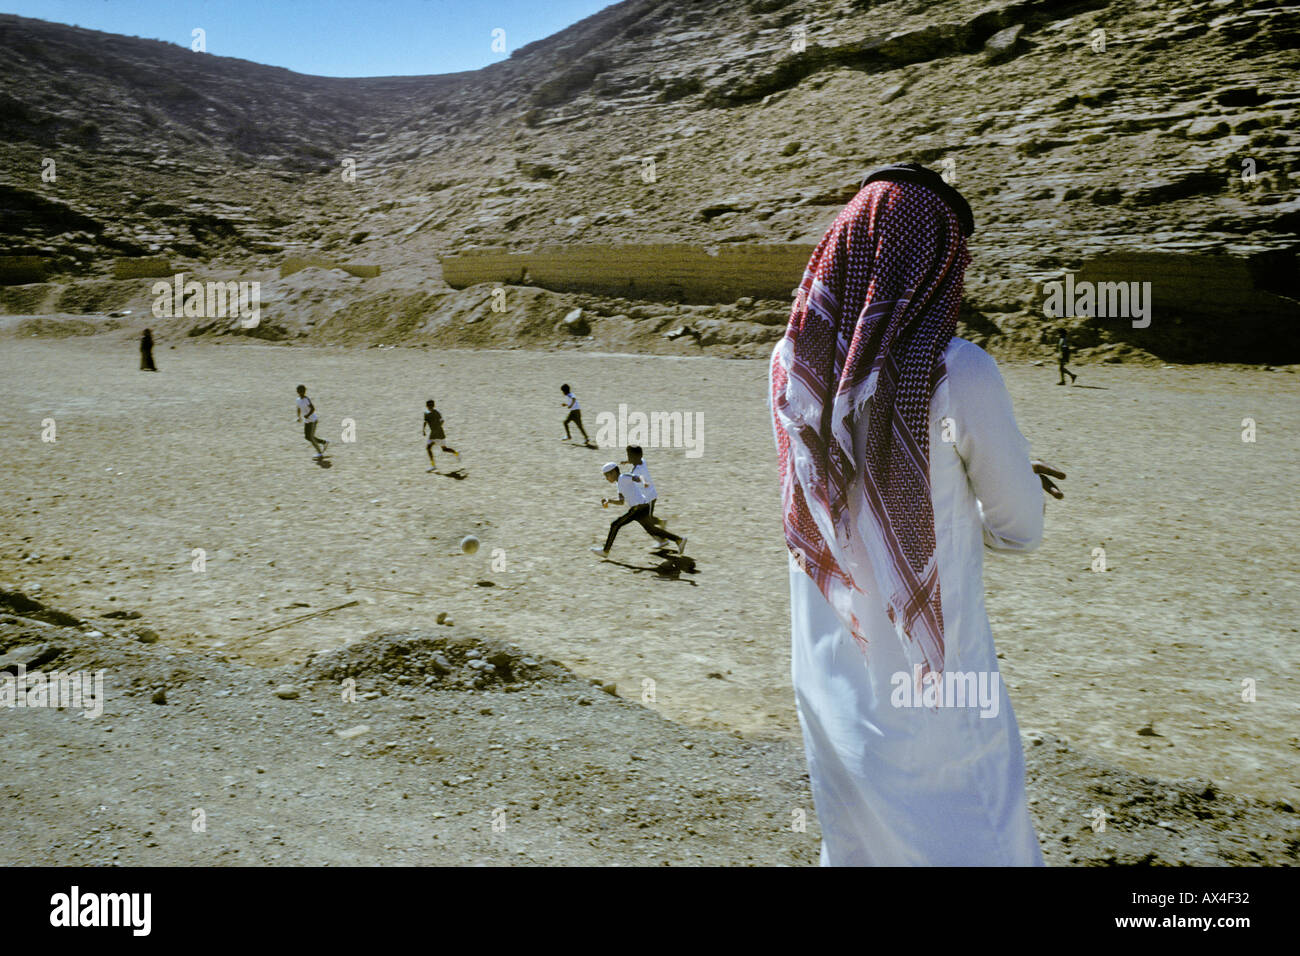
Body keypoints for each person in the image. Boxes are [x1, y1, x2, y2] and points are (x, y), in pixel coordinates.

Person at [770, 162, 1066, 866]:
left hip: (830, 664)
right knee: (971, 834)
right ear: (934, 262)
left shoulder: (789, 361)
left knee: (859, 843)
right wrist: (985, 487)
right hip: (936, 679)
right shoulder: (959, 371)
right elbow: (1019, 528)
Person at [590, 462, 685, 557]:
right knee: (651, 530)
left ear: (614, 472)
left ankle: (605, 551)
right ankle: (679, 540)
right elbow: (621, 501)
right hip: (642, 507)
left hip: (638, 508)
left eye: (607, 475)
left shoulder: (623, 477)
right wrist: (609, 501)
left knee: (615, 524)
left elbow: (638, 477)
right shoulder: (619, 484)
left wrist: (644, 482)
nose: (607, 478)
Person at [423, 399, 459, 472]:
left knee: (440, 449)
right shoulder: (426, 413)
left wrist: (437, 427)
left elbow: (442, 420)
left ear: (433, 405)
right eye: (429, 405)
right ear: (427, 406)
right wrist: (423, 430)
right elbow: (425, 421)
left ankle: (456, 453)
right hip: (434, 433)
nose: (430, 407)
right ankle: (433, 465)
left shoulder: (437, 413)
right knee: (432, 448)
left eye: (431, 405)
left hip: (438, 433)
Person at [294, 384, 328, 459]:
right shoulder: (298, 400)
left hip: (313, 420)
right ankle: (324, 442)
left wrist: (307, 415)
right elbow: (298, 408)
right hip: (307, 421)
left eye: (302, 391)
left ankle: (319, 453)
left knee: (311, 437)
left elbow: (313, 408)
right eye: (300, 391)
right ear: (298, 392)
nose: (301, 393)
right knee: (307, 437)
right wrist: (298, 417)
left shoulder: (306, 399)